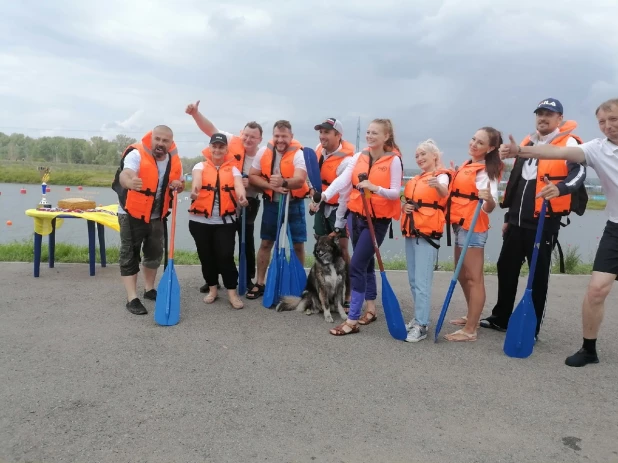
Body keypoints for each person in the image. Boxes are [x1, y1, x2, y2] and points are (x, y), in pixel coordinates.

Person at [499, 97, 618, 367]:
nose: (608, 126)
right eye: (602, 121)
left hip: (549, 221)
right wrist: (519, 150)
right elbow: (553, 154)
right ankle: (589, 349)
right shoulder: (596, 149)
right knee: (597, 290)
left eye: (614, 120)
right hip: (616, 227)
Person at [480, 98, 587, 338]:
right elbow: (518, 183)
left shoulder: (568, 143)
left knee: (537, 275)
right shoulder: (526, 144)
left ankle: (532, 326)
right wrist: (508, 216)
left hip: (544, 222)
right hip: (517, 221)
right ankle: (502, 318)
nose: (543, 118)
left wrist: (561, 188)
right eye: (540, 113)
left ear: (560, 118)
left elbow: (579, 172)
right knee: (505, 267)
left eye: (549, 114)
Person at [319, 118, 403, 336]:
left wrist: (375, 188)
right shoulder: (359, 156)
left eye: (375, 133)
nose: (370, 136)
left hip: (377, 221)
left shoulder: (393, 161)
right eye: (368, 132)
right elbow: (344, 181)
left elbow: (395, 192)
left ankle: (352, 319)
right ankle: (371, 309)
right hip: (356, 217)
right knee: (365, 264)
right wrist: (324, 196)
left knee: (356, 265)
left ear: (386, 136)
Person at [185, 100, 263, 294]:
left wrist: (251, 184)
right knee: (220, 246)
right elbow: (209, 128)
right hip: (222, 205)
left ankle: (246, 278)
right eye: (246, 135)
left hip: (247, 203)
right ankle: (213, 279)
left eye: (253, 137)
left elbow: (265, 183)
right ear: (240, 133)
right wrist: (195, 113)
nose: (248, 139)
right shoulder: (228, 140)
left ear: (259, 139)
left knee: (246, 242)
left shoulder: (262, 156)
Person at [111, 125, 184, 315]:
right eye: (157, 139)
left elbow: (180, 183)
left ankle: (149, 289)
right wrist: (130, 182)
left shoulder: (174, 160)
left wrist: (178, 185)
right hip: (131, 212)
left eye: (165, 140)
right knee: (130, 253)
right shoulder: (136, 154)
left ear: (170, 142)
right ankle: (132, 297)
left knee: (154, 252)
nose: (160, 143)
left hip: (156, 215)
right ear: (151, 138)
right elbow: (125, 174)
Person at [444, 127, 504, 342]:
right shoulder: (468, 165)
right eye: (473, 139)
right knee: (461, 274)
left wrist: (488, 198)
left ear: (490, 148)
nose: (473, 144)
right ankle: (472, 317)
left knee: (474, 278)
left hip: (473, 227)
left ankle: (471, 330)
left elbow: (489, 206)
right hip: (460, 225)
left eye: (480, 142)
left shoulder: (487, 171)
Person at [247, 120, 309, 301]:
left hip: (294, 204)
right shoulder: (263, 152)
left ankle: (299, 282)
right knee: (266, 243)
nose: (280, 140)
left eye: (284, 136)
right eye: (277, 136)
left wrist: (284, 182)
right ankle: (260, 282)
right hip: (271, 204)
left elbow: (299, 180)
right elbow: (252, 176)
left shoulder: (299, 154)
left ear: (291, 136)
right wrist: (271, 186)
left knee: (297, 245)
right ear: (272, 136)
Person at [188, 133, 249, 309]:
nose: (217, 149)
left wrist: (242, 198)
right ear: (209, 148)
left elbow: (238, 186)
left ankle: (232, 292)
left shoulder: (233, 169)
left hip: (225, 221)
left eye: (221, 146)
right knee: (206, 256)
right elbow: (197, 180)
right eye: (214, 146)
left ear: (226, 149)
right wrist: (195, 191)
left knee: (225, 256)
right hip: (200, 221)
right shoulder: (200, 165)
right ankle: (213, 289)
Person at [401, 139, 451, 342]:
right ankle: (418, 318)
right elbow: (408, 200)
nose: (420, 158)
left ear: (434, 157)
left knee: (422, 282)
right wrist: (405, 207)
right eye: (417, 156)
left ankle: (422, 325)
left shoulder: (442, 177)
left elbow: (444, 192)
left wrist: (437, 186)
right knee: (413, 281)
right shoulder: (417, 179)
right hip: (412, 232)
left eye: (423, 154)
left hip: (427, 236)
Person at [308, 118, 355, 309]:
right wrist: (313, 196)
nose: (322, 136)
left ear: (338, 135)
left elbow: (343, 187)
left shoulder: (347, 158)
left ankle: (348, 292)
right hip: (321, 205)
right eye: (320, 132)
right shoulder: (318, 149)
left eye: (327, 132)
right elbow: (312, 179)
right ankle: (324, 290)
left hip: (339, 207)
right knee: (321, 246)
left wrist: (339, 216)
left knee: (342, 250)